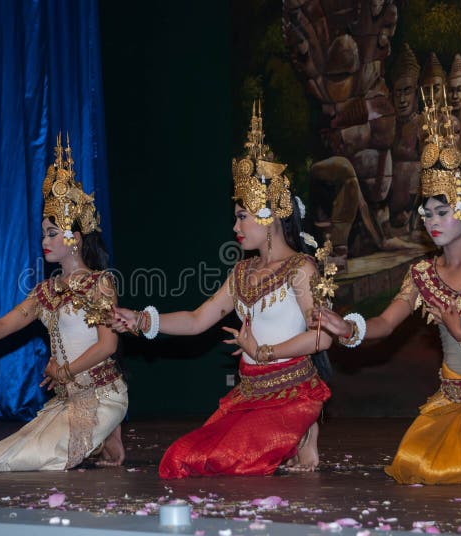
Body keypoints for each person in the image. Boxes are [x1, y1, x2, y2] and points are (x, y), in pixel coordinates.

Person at [314, 96, 461, 484]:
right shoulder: (422, 274)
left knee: (455, 470)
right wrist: (348, 329)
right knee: (412, 466)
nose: (433, 221)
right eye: (427, 213)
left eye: (442, 211)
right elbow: (385, 322)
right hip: (452, 398)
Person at [112, 105, 331, 478]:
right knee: (181, 460)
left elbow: (322, 339)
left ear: (269, 216)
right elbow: (198, 320)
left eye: (241, 216)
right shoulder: (242, 272)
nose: (235, 226)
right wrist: (143, 319)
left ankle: (305, 429)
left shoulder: (301, 269)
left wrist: (263, 351)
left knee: (227, 464)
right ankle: (293, 439)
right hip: (249, 395)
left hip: (292, 393)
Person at [0, 135, 127, 474]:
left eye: (53, 232)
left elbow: (108, 344)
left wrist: (63, 370)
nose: (45, 241)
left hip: (104, 393)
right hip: (69, 398)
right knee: (12, 452)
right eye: (43, 233)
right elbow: (7, 323)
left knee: (46, 458)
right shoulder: (46, 291)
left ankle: (107, 427)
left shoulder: (100, 283)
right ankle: (102, 438)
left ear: (75, 238)